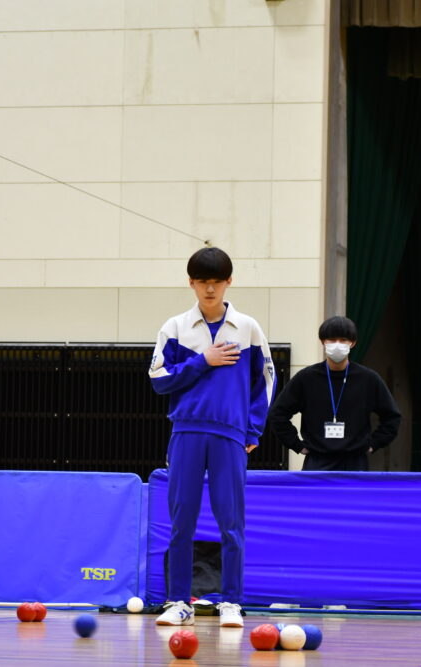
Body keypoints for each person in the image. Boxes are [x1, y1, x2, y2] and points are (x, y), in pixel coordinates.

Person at [148, 247, 275, 628]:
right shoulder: (174, 327)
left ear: (228, 282)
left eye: (216, 281)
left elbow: (265, 381)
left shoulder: (248, 328)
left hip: (230, 436)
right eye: (202, 281)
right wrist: (203, 360)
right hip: (186, 433)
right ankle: (178, 601)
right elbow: (158, 379)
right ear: (191, 283)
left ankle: (232, 602)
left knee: (231, 522)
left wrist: (252, 429)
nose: (209, 289)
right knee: (181, 522)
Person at [266, 316, 400, 471]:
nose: (337, 344)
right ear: (323, 342)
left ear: (353, 343)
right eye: (332, 339)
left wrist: (374, 443)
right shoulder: (306, 378)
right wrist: (297, 445)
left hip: (355, 461)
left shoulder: (368, 379)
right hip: (317, 462)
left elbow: (392, 416)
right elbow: (277, 414)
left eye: (343, 340)